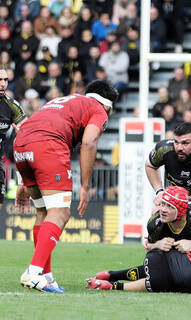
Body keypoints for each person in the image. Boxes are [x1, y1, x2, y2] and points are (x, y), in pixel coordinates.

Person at [14, 79, 119, 293]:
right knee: (60, 212)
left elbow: (28, 128)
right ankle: (33, 273)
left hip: (21, 146)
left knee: (43, 211)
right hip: (48, 145)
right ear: (108, 104)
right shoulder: (99, 109)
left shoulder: (62, 100)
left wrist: (23, 182)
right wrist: (85, 186)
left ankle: (46, 275)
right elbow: (89, 143)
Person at [94, 185, 191, 282]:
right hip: (174, 261)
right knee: (155, 268)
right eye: (163, 204)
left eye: (170, 206)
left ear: (181, 211)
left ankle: (112, 277)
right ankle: (111, 276)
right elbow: (149, 248)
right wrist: (158, 244)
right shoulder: (155, 223)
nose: (163, 210)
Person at [0, 67, 26, 210]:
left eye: (5, 80)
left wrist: (21, 133)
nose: (3, 84)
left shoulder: (12, 106)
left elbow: (26, 129)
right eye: (0, 80)